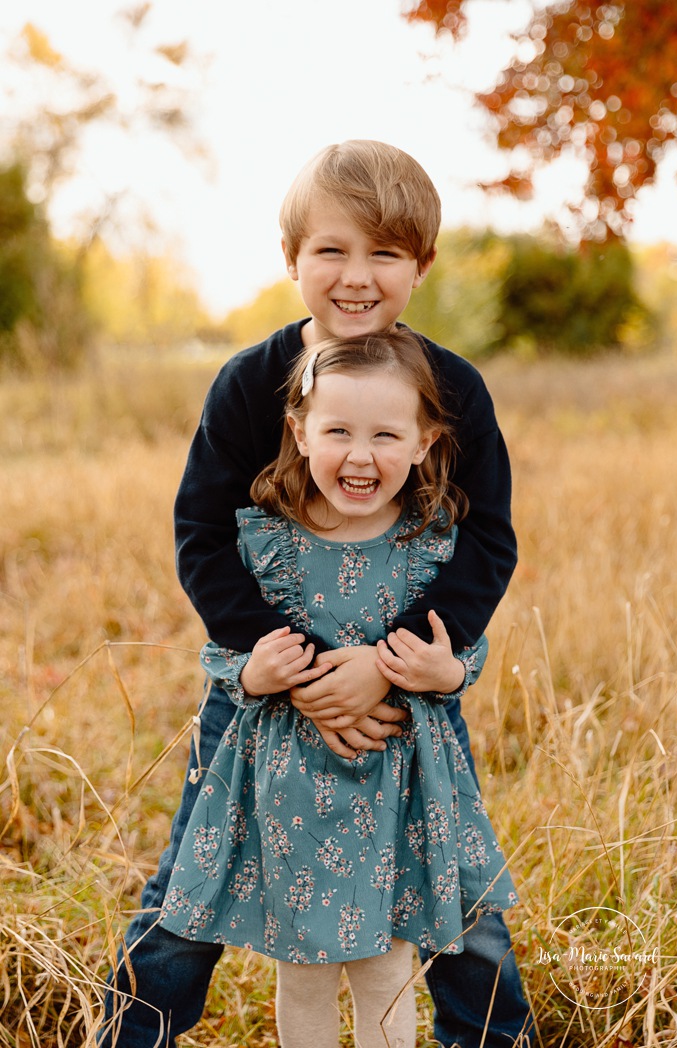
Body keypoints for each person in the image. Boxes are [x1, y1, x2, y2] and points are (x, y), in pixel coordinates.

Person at [98, 139, 533, 1047]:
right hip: (260, 692)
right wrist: (297, 669)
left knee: (458, 890)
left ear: (422, 264)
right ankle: (129, 1035)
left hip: (403, 703)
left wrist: (385, 666)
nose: (356, 275)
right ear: (290, 258)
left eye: (384, 252)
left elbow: (485, 539)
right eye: (331, 250)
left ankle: (494, 1037)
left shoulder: (450, 389)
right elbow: (204, 534)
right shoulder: (252, 386)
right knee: (188, 879)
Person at [158, 331, 518, 1048]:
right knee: (304, 979)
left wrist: (443, 674)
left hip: (398, 793)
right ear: (298, 433)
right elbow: (230, 650)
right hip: (293, 802)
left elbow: (456, 655)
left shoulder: (432, 541)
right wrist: (257, 675)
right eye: (338, 433)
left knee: (386, 971)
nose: (360, 456)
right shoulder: (269, 544)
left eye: (386, 434)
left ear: (424, 443)